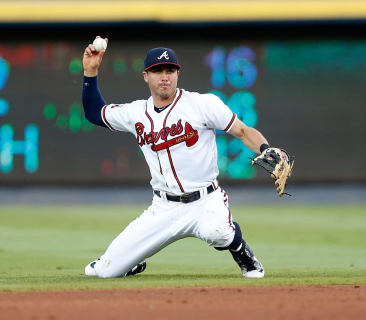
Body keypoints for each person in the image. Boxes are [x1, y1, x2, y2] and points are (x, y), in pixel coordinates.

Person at [81, 37, 273, 278]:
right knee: (105, 272)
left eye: (170, 70)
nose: (165, 76)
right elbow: (94, 113)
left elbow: (243, 131)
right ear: (145, 77)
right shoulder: (136, 113)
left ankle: (241, 251)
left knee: (218, 232)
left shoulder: (203, 104)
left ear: (177, 74)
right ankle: (131, 260)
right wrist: (91, 72)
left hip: (205, 201)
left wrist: (265, 148)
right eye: (157, 71)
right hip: (164, 207)